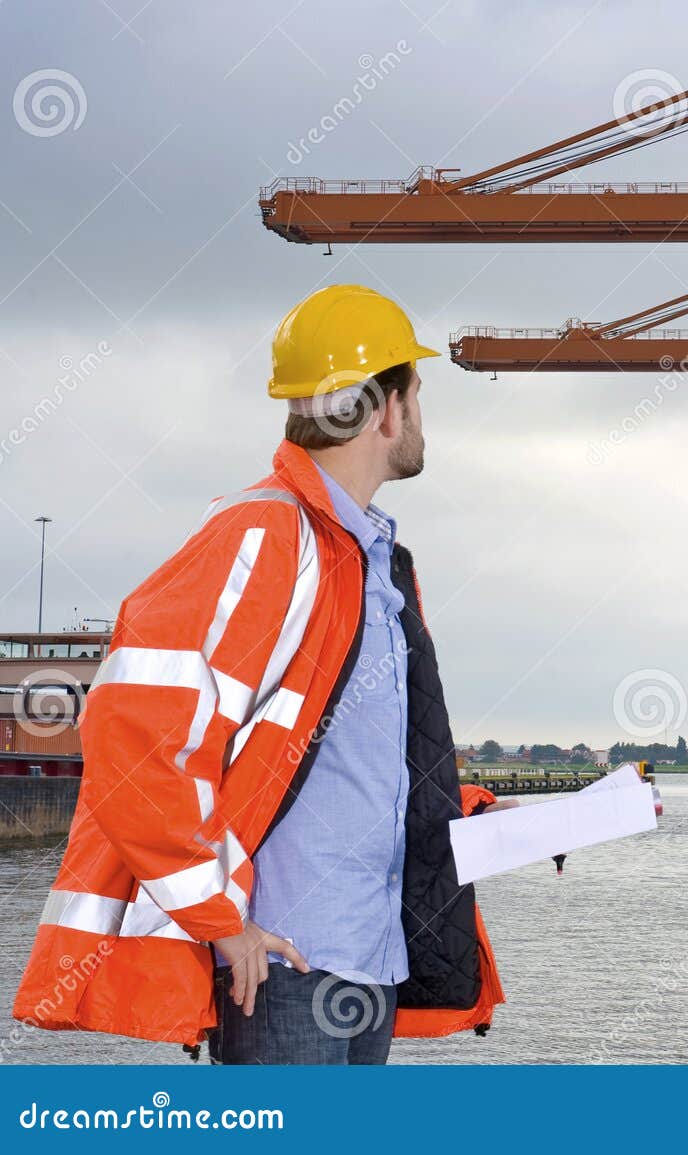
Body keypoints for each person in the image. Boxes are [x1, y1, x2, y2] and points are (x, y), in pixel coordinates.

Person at [12, 285, 506, 1064]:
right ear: (385, 409)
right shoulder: (266, 534)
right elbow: (132, 724)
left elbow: (341, 763)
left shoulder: (376, 564)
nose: (419, 414)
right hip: (284, 966)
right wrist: (218, 918)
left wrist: (476, 816)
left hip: (368, 958)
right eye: (418, 391)